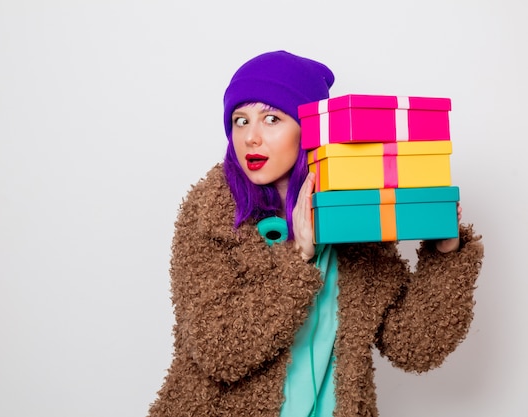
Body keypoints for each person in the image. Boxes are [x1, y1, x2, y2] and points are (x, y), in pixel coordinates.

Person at [146, 50, 484, 417]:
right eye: (240, 121)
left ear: (308, 131)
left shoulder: (354, 218)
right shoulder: (210, 214)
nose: (251, 138)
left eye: (271, 118)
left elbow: (415, 347)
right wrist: (298, 259)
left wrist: (447, 253)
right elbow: (219, 351)